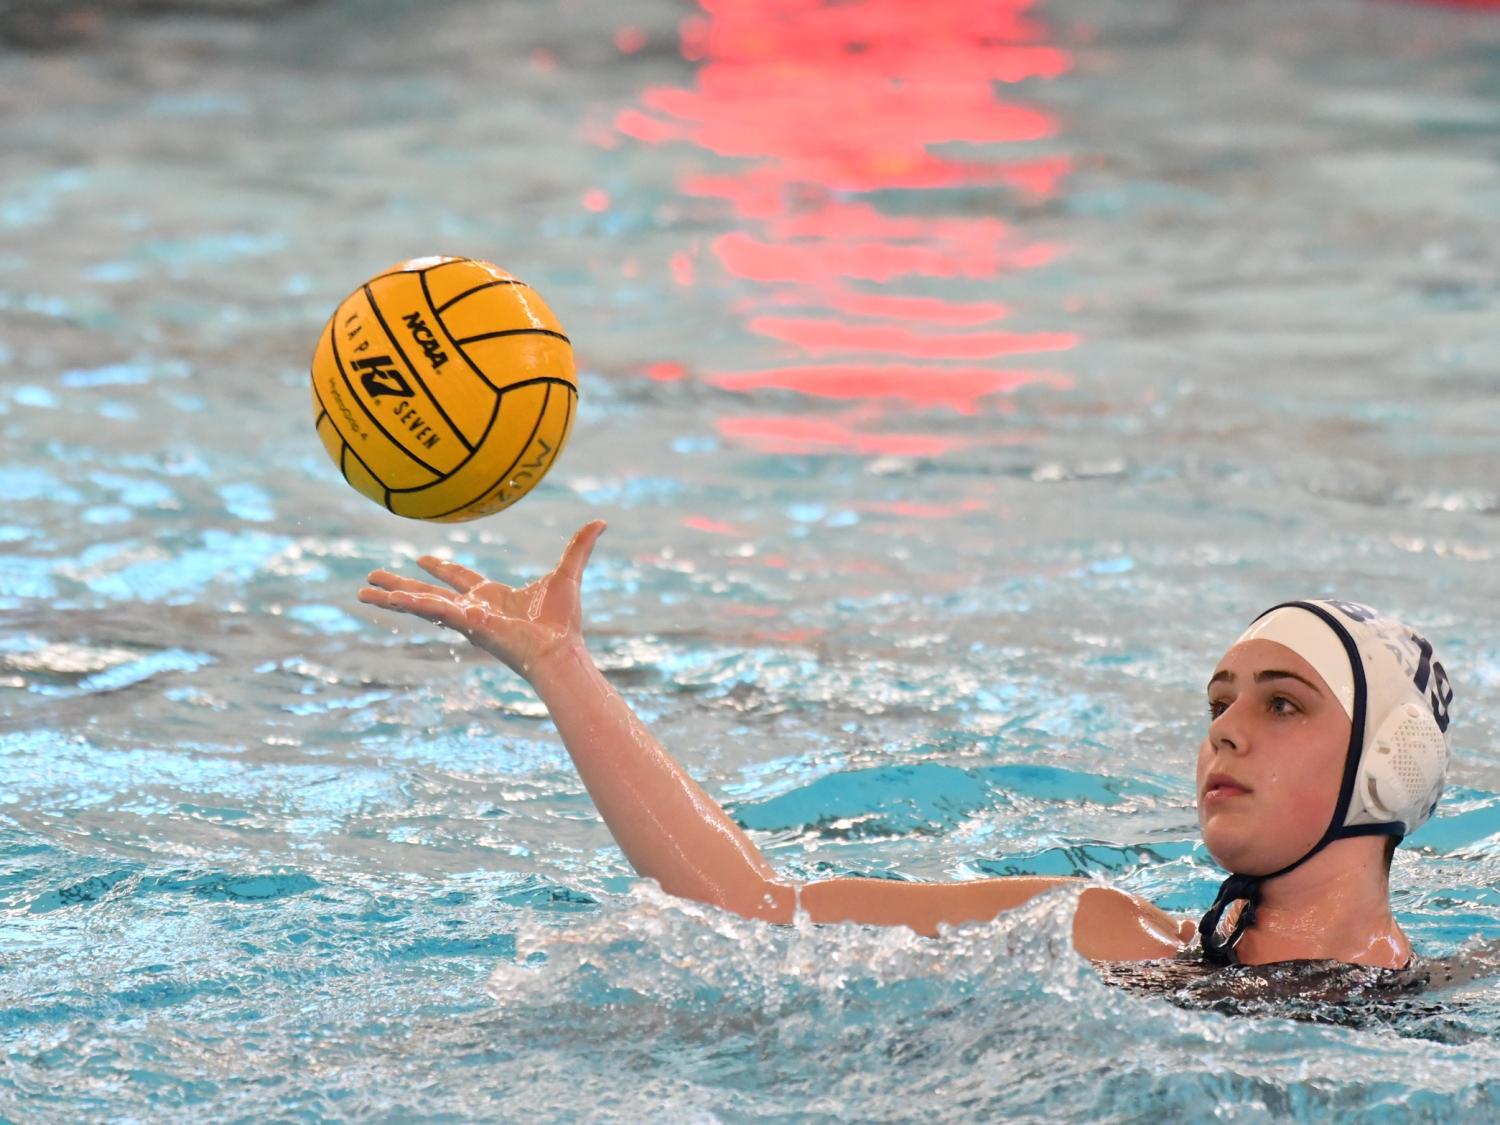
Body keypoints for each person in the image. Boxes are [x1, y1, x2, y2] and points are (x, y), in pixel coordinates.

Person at [357, 521, 1453, 970]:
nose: (1226, 726)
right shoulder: (1105, 936)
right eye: (1220, 699)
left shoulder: (1457, 1008)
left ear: (1390, 768)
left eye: (1284, 704)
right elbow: (754, 908)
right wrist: (561, 668)